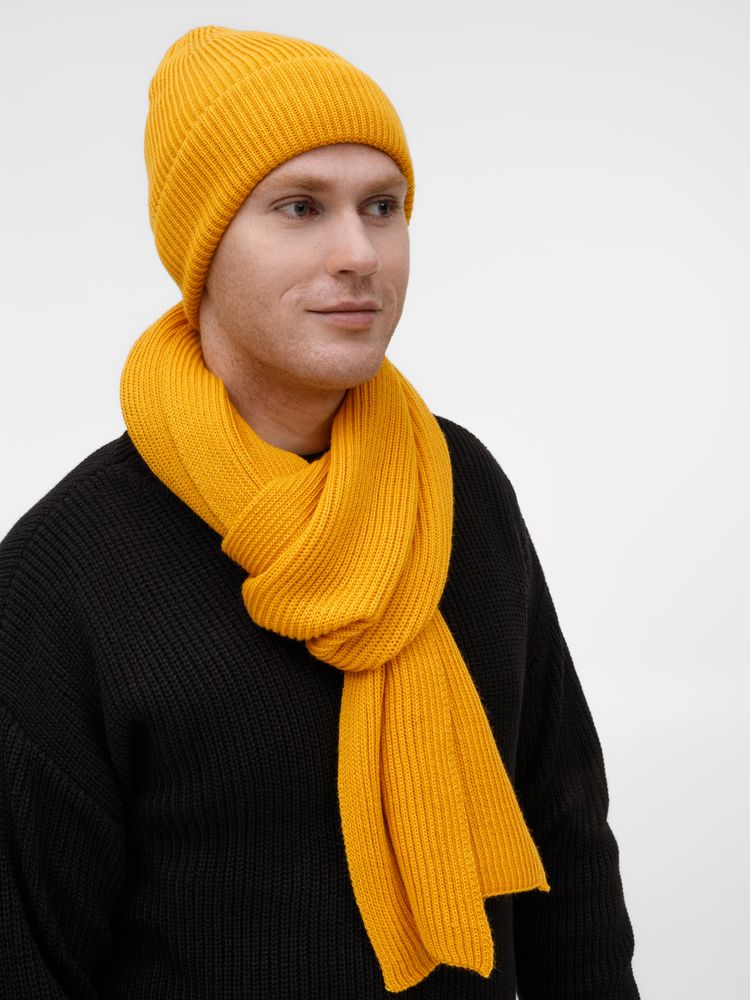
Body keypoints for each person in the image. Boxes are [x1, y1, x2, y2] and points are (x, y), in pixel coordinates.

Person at [0, 25, 640, 1000]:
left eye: (383, 206)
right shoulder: (63, 575)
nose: (359, 253)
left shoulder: (461, 492)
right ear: (203, 245)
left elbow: (568, 855)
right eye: (300, 207)